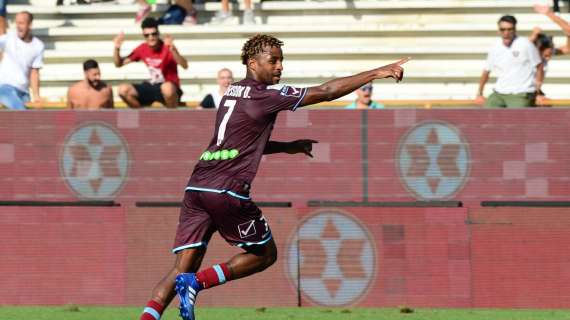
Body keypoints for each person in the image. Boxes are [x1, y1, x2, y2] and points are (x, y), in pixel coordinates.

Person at [136, 33, 408, 320]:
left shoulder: (232, 92)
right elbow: (326, 91)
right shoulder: (264, 95)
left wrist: (286, 147)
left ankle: (154, 311)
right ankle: (197, 283)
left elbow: (238, 142)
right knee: (264, 255)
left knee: (181, 268)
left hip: (197, 187)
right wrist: (377, 72)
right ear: (253, 63)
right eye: (273, 60)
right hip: (227, 191)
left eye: (282, 61)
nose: (280, 67)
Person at [114, 17, 188, 109]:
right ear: (143, 35)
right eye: (147, 35)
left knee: (167, 88)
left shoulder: (168, 47)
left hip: (170, 88)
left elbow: (185, 66)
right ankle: (142, 117)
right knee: (123, 90)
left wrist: (174, 50)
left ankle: (171, 119)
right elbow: (119, 64)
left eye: (154, 34)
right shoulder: (142, 48)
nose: (151, 37)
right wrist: (117, 48)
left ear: (158, 33)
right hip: (153, 86)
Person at [476, 15, 544, 108]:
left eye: (509, 29)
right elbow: (486, 71)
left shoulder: (526, 44)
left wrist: (538, 91)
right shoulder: (495, 46)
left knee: (515, 120)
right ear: (498, 30)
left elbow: (539, 66)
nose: (506, 32)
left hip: (521, 93)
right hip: (499, 93)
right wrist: (479, 93)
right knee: (486, 117)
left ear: (515, 29)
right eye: (503, 29)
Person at [0, 11, 44, 110]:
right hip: (4, 87)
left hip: (24, 91)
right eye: (17, 23)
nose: (18, 26)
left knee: (21, 119)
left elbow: (34, 72)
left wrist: (36, 95)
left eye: (21, 23)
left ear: (30, 25)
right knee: (21, 112)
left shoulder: (38, 45)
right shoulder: (8, 38)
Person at [531, 4, 570, 105]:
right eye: (546, 54)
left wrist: (549, 13)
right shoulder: (529, 53)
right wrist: (534, 35)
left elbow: (568, 47)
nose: (548, 57)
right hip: (521, 91)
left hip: (535, 91)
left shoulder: (547, 51)